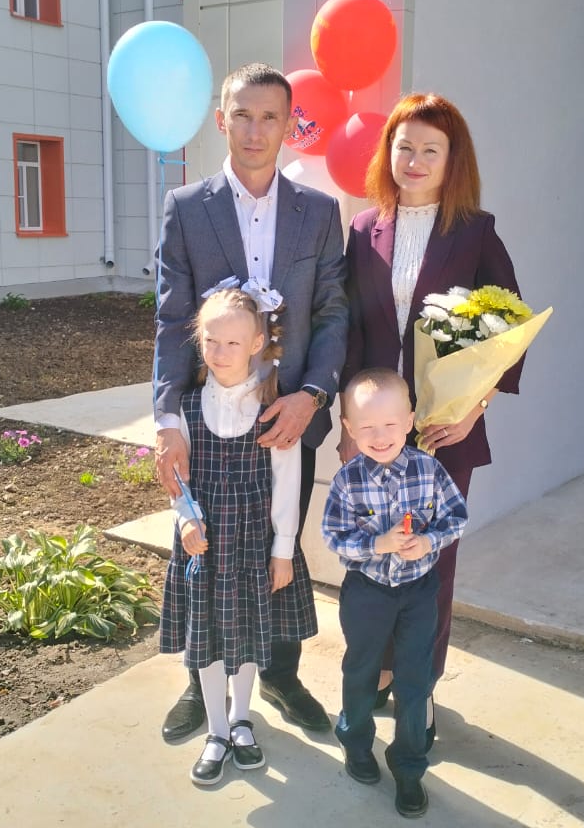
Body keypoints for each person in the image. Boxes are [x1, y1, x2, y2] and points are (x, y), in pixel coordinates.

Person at [154, 62, 348, 741]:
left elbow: (332, 312)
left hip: (288, 411)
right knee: (203, 546)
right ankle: (199, 682)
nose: (255, 130)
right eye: (242, 115)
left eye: (270, 117)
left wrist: (311, 396)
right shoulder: (188, 208)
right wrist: (168, 419)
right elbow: (170, 318)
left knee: (278, 542)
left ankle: (280, 675)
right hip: (210, 415)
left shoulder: (318, 212)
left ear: (290, 125)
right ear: (221, 120)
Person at [340, 93, 523, 746]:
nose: (414, 160)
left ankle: (419, 684)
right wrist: (347, 424)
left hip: (445, 431)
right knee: (376, 556)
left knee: (430, 565)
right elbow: (353, 331)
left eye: (430, 150)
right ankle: (381, 671)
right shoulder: (364, 229)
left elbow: (508, 327)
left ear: (452, 161)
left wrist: (474, 408)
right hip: (375, 431)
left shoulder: (474, 231)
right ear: (388, 152)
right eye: (404, 146)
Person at [161, 288, 317, 785]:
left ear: (256, 344)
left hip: (252, 544)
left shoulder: (274, 407)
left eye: (233, 343)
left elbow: (287, 482)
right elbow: (177, 477)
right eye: (211, 341)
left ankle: (242, 720)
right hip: (205, 544)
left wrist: (283, 549)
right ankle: (216, 730)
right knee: (207, 636)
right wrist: (186, 519)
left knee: (248, 632)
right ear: (199, 340)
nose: (220, 352)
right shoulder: (186, 407)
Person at [322, 369, 467, 818]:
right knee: (361, 670)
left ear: (409, 420)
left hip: (419, 591)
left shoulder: (430, 470)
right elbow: (334, 537)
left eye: (390, 424)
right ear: (349, 428)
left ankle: (408, 767)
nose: (380, 436)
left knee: (414, 680)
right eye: (366, 426)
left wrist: (429, 541)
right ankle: (356, 743)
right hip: (366, 593)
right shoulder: (348, 481)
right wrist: (377, 544)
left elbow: (456, 518)